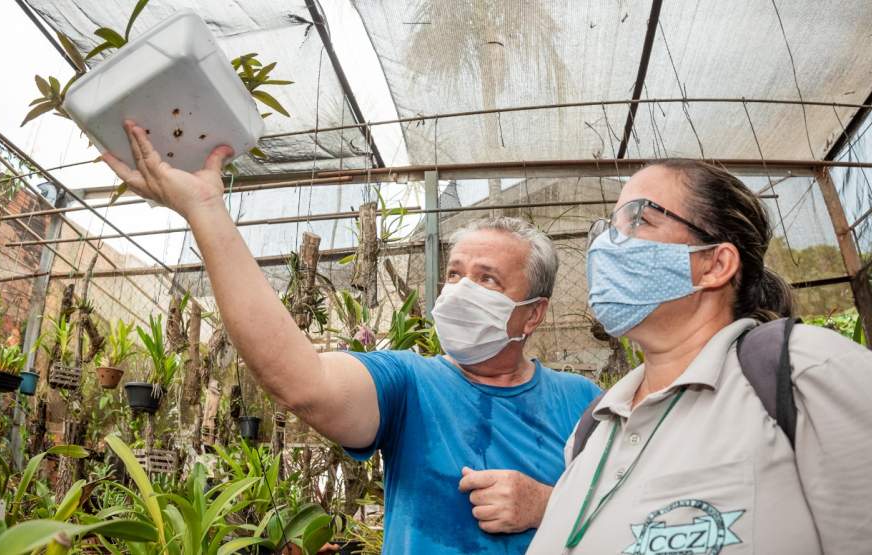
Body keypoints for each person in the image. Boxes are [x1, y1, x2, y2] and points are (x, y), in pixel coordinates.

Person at [102, 121, 602, 554]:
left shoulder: (586, 403)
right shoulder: (408, 381)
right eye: (454, 274)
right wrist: (206, 210)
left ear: (533, 315)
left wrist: (546, 504)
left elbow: (642, 516)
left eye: (488, 279)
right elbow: (303, 382)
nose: (462, 290)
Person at [526, 159, 872, 554]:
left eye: (638, 219)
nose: (606, 246)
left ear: (715, 264)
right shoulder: (592, 431)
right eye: (609, 227)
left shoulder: (809, 370)